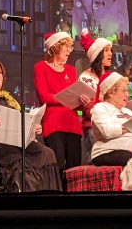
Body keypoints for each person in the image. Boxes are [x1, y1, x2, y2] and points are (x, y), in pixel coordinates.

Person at [0, 57, 62, 192]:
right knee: (18, 161)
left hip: (15, 144)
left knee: (47, 153)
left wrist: (32, 128)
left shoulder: (11, 101)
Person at [34, 32, 87, 176]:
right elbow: (44, 96)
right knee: (57, 165)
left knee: (74, 167)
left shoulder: (71, 70)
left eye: (71, 47)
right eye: (66, 46)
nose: (70, 50)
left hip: (72, 122)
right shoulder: (41, 67)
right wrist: (65, 98)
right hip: (53, 122)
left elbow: (75, 101)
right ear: (56, 47)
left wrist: (83, 102)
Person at [78, 28, 113, 164]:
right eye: (106, 50)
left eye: (110, 51)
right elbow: (86, 109)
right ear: (97, 54)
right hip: (94, 129)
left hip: (111, 127)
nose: (110, 54)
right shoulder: (86, 78)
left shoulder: (110, 77)